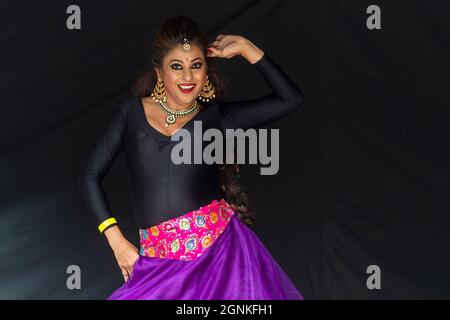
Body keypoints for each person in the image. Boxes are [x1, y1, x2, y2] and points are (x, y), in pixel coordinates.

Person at [78, 15, 304, 300]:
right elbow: (89, 177)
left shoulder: (217, 118)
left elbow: (290, 99)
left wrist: (247, 48)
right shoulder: (130, 115)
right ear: (159, 73)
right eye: (177, 67)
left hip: (221, 257)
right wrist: (116, 241)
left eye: (196, 66)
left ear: (206, 70)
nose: (188, 77)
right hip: (158, 266)